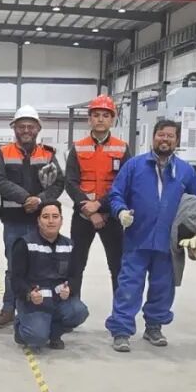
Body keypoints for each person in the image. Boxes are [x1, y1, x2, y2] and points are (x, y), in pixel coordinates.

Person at [106, 119, 196, 352]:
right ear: (153, 137)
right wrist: (120, 211)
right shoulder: (134, 166)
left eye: (170, 136)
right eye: (161, 135)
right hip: (137, 238)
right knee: (129, 286)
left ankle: (154, 326)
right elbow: (116, 194)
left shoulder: (186, 171)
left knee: (163, 286)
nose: (165, 139)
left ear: (177, 140)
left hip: (169, 241)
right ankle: (121, 331)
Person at [0, 104, 65, 329]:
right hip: (14, 221)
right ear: (14, 128)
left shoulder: (48, 154)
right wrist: (26, 198)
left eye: (30, 126)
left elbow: (58, 183)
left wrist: (39, 200)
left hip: (41, 222)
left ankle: (39, 309)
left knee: (43, 266)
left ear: (38, 129)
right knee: (14, 267)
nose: (26, 130)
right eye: (21, 126)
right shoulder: (3, 153)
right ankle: (8, 308)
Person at [65, 94, 128, 298]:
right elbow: (70, 182)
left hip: (112, 216)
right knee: (75, 265)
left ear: (113, 119)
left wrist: (101, 206)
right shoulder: (78, 147)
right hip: (83, 215)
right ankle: (72, 309)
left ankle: (120, 312)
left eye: (105, 115)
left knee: (118, 266)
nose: (100, 119)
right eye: (96, 115)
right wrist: (90, 211)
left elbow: (124, 183)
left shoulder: (122, 148)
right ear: (89, 119)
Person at [10, 201, 89, 352]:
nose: (51, 221)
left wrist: (70, 289)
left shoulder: (69, 245)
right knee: (36, 338)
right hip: (34, 303)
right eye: (46, 217)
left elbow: (75, 276)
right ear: (38, 220)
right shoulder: (24, 244)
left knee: (79, 312)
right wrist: (29, 293)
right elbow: (16, 279)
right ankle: (21, 328)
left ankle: (54, 334)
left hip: (58, 301)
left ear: (61, 220)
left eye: (55, 216)